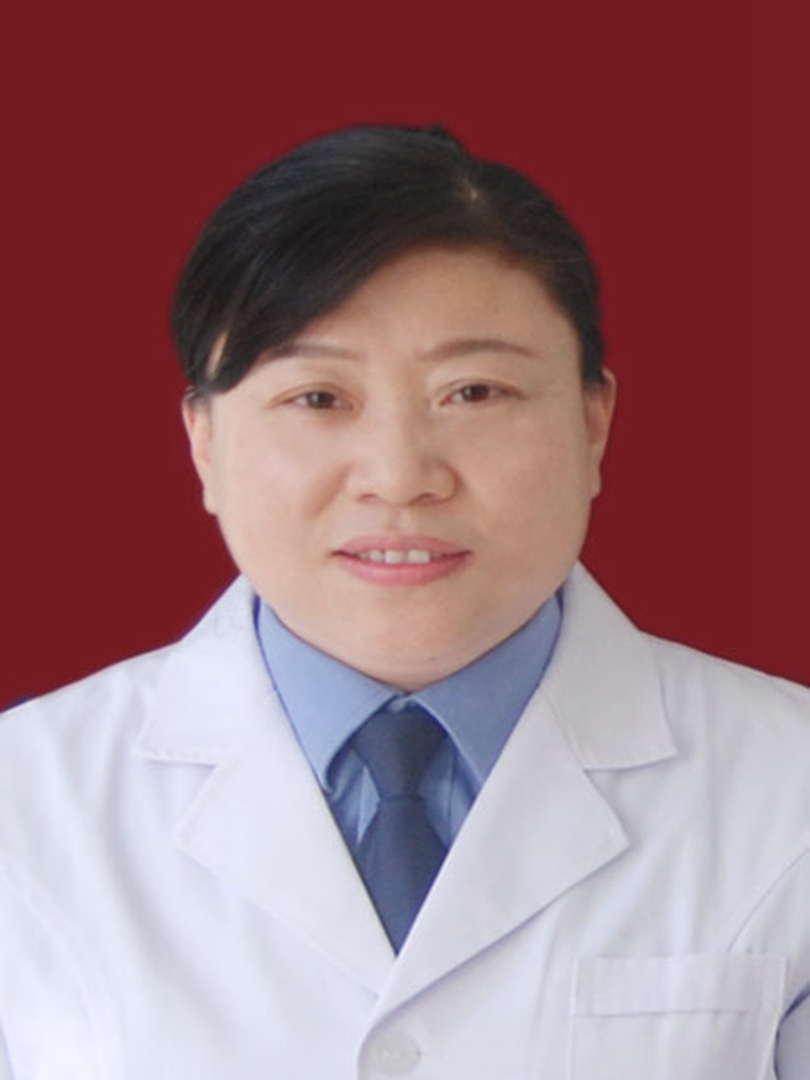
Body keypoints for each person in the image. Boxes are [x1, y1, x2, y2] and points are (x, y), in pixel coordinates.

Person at [0, 124, 807, 1079]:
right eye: (318, 399)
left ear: (594, 421)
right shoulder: (25, 803)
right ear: (203, 442)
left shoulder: (787, 788)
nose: (399, 475)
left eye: (475, 392)